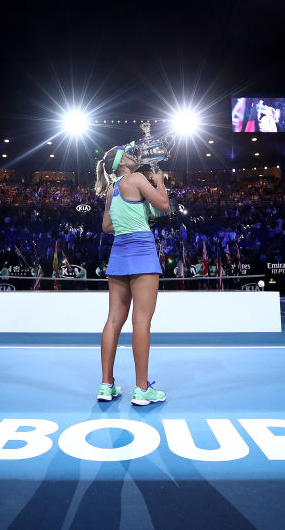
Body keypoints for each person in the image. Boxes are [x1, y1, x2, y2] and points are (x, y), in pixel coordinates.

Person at [94, 145, 170, 406]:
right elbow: (164, 205)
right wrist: (159, 183)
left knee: (113, 320)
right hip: (142, 253)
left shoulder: (112, 189)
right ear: (122, 162)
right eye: (129, 153)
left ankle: (106, 385)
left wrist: (133, 219)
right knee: (141, 321)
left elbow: (107, 226)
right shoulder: (137, 179)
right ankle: (141, 389)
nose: (134, 155)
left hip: (119, 254)